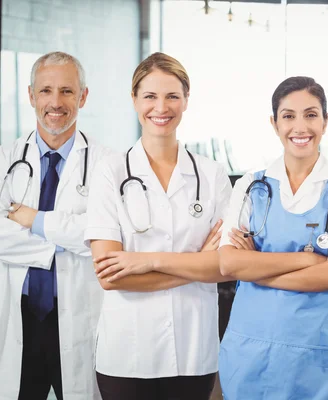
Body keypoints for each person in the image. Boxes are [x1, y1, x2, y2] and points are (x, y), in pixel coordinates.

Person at [84, 52, 232, 400]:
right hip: (127, 355)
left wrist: (146, 260)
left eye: (172, 96)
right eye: (149, 96)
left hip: (193, 352)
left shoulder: (211, 175)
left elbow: (228, 267)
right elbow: (109, 275)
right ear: (134, 99)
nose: (160, 107)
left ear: (186, 100)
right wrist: (197, 264)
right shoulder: (110, 172)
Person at [217, 76, 328, 399]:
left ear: (326, 122)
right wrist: (305, 260)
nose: (300, 127)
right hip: (249, 351)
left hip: (315, 357)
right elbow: (228, 262)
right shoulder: (251, 186)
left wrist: (256, 268)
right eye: (288, 116)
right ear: (274, 123)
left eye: (311, 115)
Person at [0, 51, 111, 399]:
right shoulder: (0, 161)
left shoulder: (109, 165)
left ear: (83, 96)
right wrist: (65, 238)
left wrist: (33, 220)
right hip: (18, 315)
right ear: (31, 96)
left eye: (67, 91)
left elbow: (103, 235)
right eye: (45, 91)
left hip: (79, 316)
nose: (55, 103)